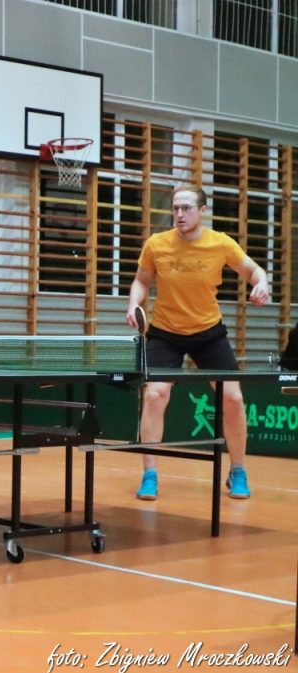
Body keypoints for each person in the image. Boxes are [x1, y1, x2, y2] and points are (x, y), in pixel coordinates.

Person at [126, 184, 269, 501]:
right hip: (165, 332)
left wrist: (262, 283)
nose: (179, 214)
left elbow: (253, 270)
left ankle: (238, 471)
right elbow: (142, 280)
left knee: (232, 398)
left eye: (186, 208)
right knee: (155, 395)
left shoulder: (221, 243)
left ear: (202, 211)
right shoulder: (156, 244)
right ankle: (150, 474)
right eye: (175, 208)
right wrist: (134, 304)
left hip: (208, 332)